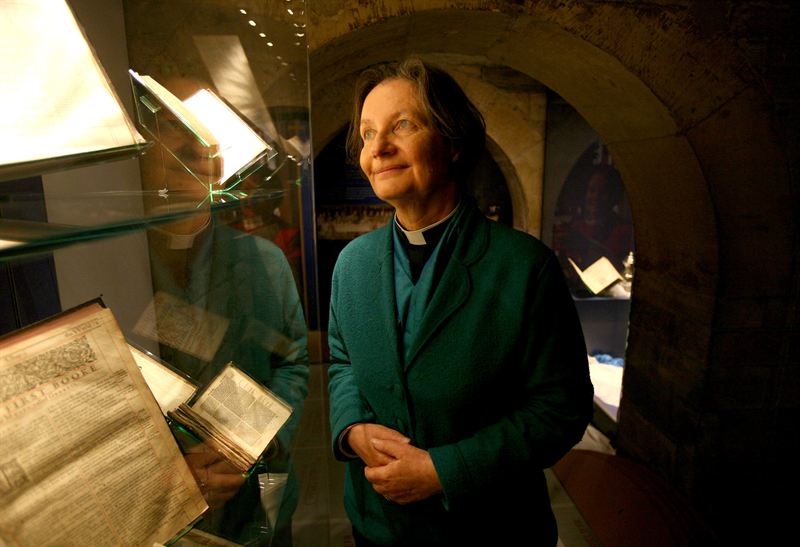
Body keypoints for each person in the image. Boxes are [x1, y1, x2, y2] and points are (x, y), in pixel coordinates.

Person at [327, 58, 594, 546]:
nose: (378, 148)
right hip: (378, 523)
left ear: (453, 142)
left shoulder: (523, 267)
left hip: (489, 528)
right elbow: (343, 361)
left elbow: (561, 409)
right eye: (367, 133)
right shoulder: (352, 264)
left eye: (402, 126)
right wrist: (352, 428)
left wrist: (445, 470)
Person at [136, 79, 310, 546]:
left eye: (207, 127)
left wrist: (243, 445)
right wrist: (172, 465)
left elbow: (291, 364)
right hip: (157, 507)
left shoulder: (264, 260)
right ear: (142, 146)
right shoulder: (118, 263)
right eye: (173, 124)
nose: (196, 142)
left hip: (258, 501)